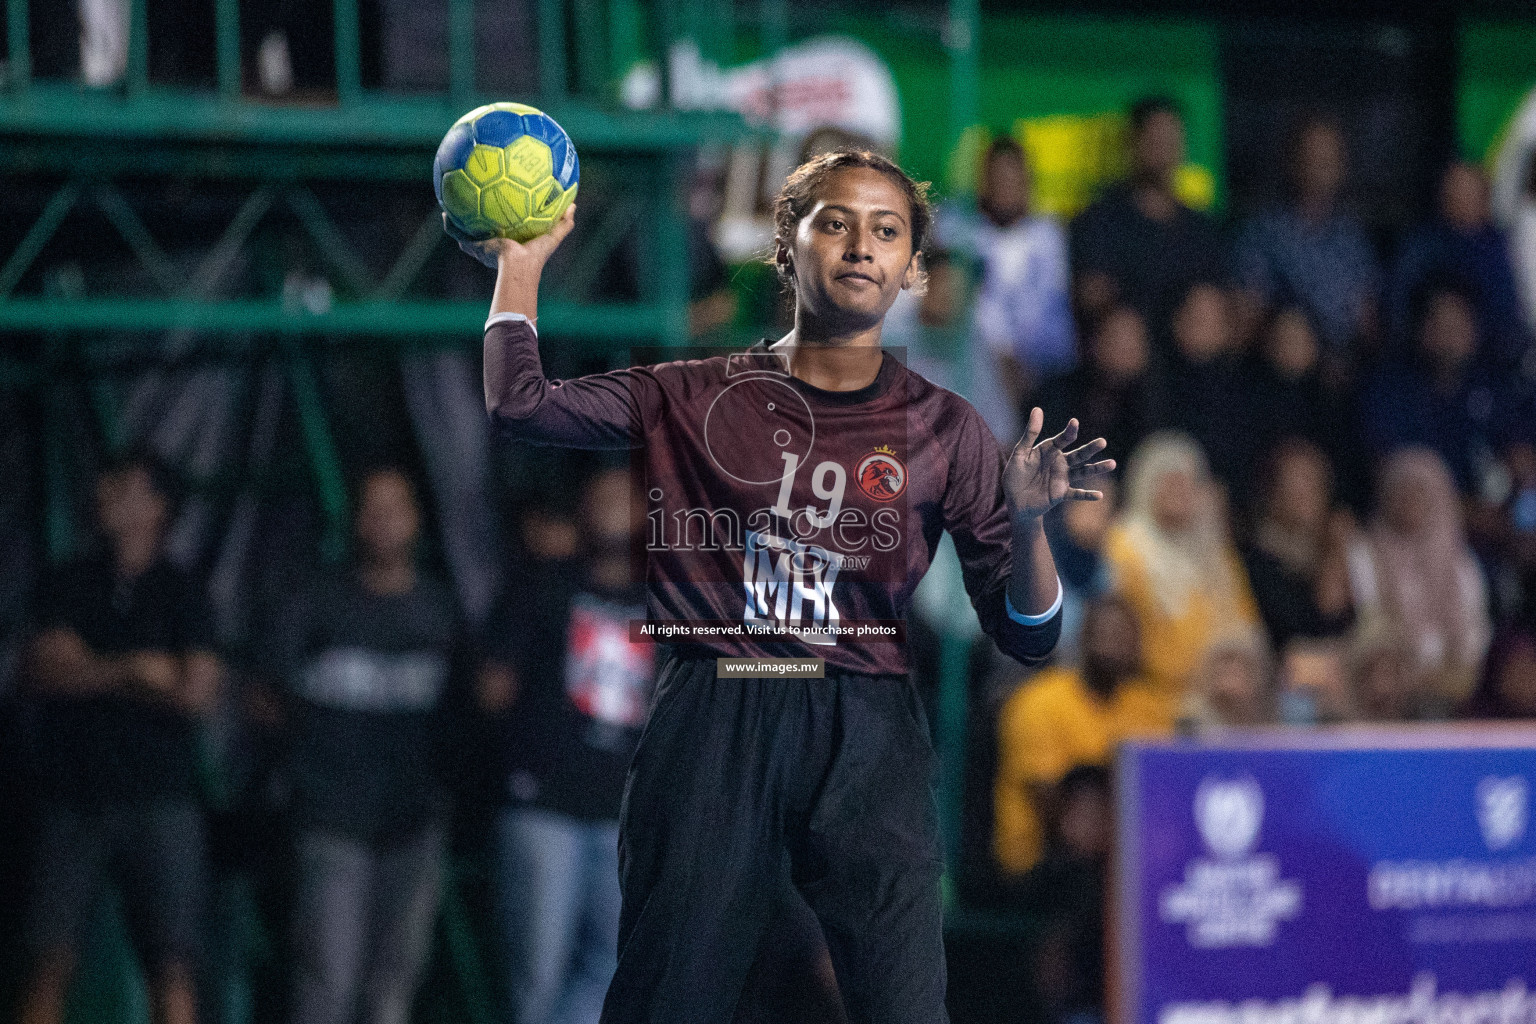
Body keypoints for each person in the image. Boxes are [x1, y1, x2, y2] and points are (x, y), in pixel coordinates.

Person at [461, 148, 1113, 1021]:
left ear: (912, 268)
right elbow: (521, 403)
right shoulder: (696, 394)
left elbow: (1029, 635)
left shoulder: (948, 430)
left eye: (886, 231)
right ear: (785, 247)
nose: (859, 246)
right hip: (717, 715)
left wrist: (1028, 524)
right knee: (669, 1000)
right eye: (834, 222)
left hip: (868, 726)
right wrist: (521, 265)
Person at [19, 455, 220, 1024]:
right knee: (49, 963)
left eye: (125, 487)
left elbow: (195, 693)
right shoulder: (68, 581)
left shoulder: (183, 592)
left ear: (158, 509)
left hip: (162, 802)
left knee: (173, 969)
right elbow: (42, 672)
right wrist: (135, 670)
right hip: (75, 798)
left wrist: (90, 668)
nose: (107, 494)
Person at [261, 468, 465, 1024]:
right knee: (327, 988)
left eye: (395, 508)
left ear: (416, 519)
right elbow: (266, 698)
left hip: (413, 825)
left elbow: (463, 719)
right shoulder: (315, 602)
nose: (382, 522)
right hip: (331, 821)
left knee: (392, 996)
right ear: (354, 518)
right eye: (371, 508)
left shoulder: (441, 611)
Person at [479, 467, 655, 1024]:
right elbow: (491, 690)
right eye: (598, 493)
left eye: (623, 497)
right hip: (544, 806)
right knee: (537, 976)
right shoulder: (542, 582)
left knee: (610, 969)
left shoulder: (665, 600)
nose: (610, 506)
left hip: (622, 815)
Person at [993, 595, 1170, 877]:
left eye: (1123, 635)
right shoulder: (1038, 701)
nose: (1113, 644)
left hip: (1120, 854)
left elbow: (1162, 794)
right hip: (1041, 859)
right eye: (1106, 633)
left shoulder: (1150, 708)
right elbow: (1052, 810)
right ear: (1084, 637)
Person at [1102, 432, 1262, 705]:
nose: (1180, 490)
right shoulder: (1123, 547)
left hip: (1220, 699)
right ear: (1146, 485)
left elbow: (1245, 629)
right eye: (1169, 480)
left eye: (1188, 481)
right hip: (1147, 699)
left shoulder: (1218, 554)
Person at [1346, 448, 1491, 715]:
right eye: (1402, 491)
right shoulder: (1364, 552)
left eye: (1420, 491)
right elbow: (1370, 620)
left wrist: (1447, 675)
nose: (1410, 501)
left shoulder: (1462, 563)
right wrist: (1409, 671)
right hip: (1390, 682)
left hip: (1453, 685)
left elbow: (1475, 633)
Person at [1070, 97, 1226, 334]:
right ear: (1133, 143)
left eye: (1170, 140)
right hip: (1123, 357)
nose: (1163, 148)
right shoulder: (1099, 222)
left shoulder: (1201, 230)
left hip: (1192, 362)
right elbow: (1092, 297)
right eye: (1154, 139)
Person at [1233, 115, 1379, 366]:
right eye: (1312, 154)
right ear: (1293, 161)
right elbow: (1246, 319)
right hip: (1281, 369)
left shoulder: (1351, 235)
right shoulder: (1264, 231)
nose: (1320, 164)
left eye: (1329, 157)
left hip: (1343, 370)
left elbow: (1367, 319)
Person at [964, 136, 1076, 407]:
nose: (1005, 187)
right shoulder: (962, 235)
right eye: (997, 178)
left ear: (1028, 182)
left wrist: (1025, 362)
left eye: (1013, 178)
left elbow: (1056, 322)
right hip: (976, 376)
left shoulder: (1050, 237)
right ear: (983, 182)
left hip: (1043, 378)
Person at [1359, 283, 1502, 493]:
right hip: (1415, 516)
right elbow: (1385, 469)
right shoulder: (1390, 388)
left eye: (1460, 322)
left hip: (1492, 513)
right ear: (1423, 329)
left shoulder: (1492, 383)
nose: (1453, 336)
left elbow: (1514, 458)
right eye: (1443, 323)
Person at [1389, 160, 1527, 366]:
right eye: (1453, 188)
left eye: (1468, 189)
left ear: (1484, 197)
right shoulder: (1422, 245)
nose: (1459, 196)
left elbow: (1507, 314)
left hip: (1488, 364)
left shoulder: (1500, 249)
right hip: (1422, 361)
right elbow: (1398, 306)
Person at [1241, 440, 1354, 650]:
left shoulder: (1335, 545)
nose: (1309, 492)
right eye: (1297, 482)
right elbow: (1312, 629)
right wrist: (1335, 554)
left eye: (1315, 481)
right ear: (1272, 493)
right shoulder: (1257, 561)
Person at [1154, 282, 1256, 490]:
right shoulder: (1154, 384)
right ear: (1178, 322)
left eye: (1212, 319)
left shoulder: (1246, 392)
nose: (1204, 326)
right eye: (1197, 318)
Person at [1039, 304, 1161, 466]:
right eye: (1116, 338)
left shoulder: (1156, 405)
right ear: (1096, 341)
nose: (1124, 349)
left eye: (1132, 341)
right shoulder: (1057, 393)